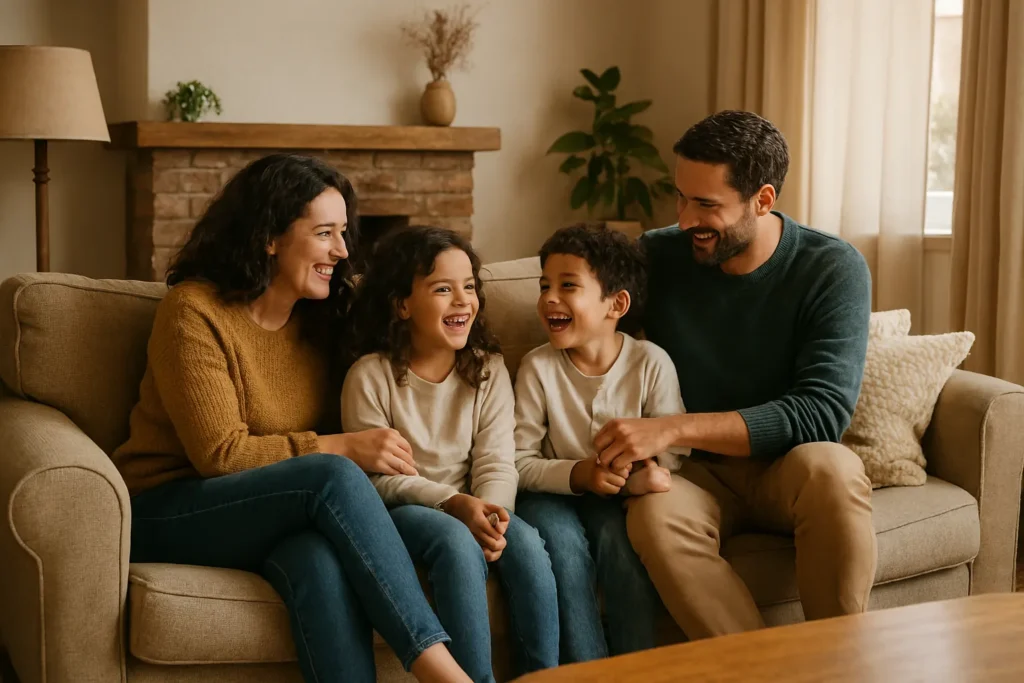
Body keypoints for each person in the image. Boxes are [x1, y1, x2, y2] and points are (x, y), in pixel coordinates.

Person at [112, 154, 471, 683]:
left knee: (316, 562)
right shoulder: (192, 312)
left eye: (344, 232)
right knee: (333, 473)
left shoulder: (323, 318)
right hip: (170, 508)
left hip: (274, 512)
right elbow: (221, 455)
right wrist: (343, 446)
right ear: (269, 237)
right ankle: (443, 672)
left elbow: (407, 348)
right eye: (325, 232)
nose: (342, 250)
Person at [594, 110, 877, 639]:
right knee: (653, 517)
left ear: (763, 200)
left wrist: (673, 427)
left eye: (706, 204)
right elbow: (586, 314)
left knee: (834, 470)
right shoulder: (658, 256)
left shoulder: (832, 268)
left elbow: (821, 414)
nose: (683, 219)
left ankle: (839, 663)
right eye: (680, 196)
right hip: (694, 474)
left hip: (787, 468)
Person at [340, 226, 560, 683]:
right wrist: (454, 504)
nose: (462, 300)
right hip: (400, 509)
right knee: (456, 543)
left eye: (469, 287)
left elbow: (497, 461)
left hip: (474, 501)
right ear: (402, 304)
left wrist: (494, 512)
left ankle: (544, 676)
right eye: (443, 288)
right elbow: (379, 480)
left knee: (528, 545)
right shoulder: (370, 376)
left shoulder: (488, 370)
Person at [514, 224, 685, 662]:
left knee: (622, 552)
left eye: (568, 286)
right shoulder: (538, 368)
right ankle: (587, 671)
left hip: (617, 500)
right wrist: (580, 474)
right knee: (566, 553)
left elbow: (674, 451)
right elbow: (518, 461)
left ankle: (636, 670)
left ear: (617, 304)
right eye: (544, 286)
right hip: (549, 495)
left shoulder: (651, 362)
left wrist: (636, 478)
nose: (549, 297)